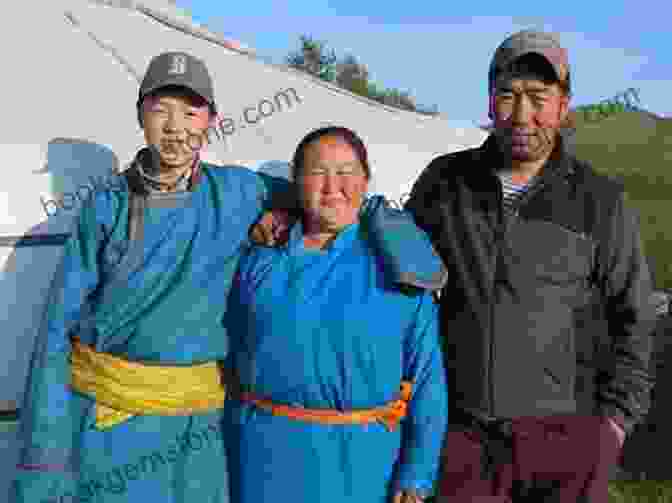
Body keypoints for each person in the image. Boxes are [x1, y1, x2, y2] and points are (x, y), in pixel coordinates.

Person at [12, 51, 294, 503]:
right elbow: (57, 327)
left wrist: (281, 215)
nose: (175, 125)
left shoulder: (239, 192)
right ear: (140, 114)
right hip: (109, 424)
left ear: (212, 120)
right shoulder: (105, 205)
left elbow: (328, 197)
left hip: (197, 432)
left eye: (190, 110)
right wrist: (45, 457)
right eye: (160, 108)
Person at [401, 30, 657, 502]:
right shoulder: (445, 182)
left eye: (538, 98)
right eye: (508, 95)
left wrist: (614, 424)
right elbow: (395, 263)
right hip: (463, 440)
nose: (522, 115)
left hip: (568, 442)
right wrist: (288, 209)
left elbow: (636, 316)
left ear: (564, 106)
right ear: (490, 100)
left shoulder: (599, 200)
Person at [224, 127, 448, 503]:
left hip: (361, 466)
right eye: (317, 172)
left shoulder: (400, 264)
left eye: (346, 172)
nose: (332, 187)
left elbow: (428, 379)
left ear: (365, 179)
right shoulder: (259, 255)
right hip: (259, 459)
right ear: (295, 182)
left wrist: (417, 473)